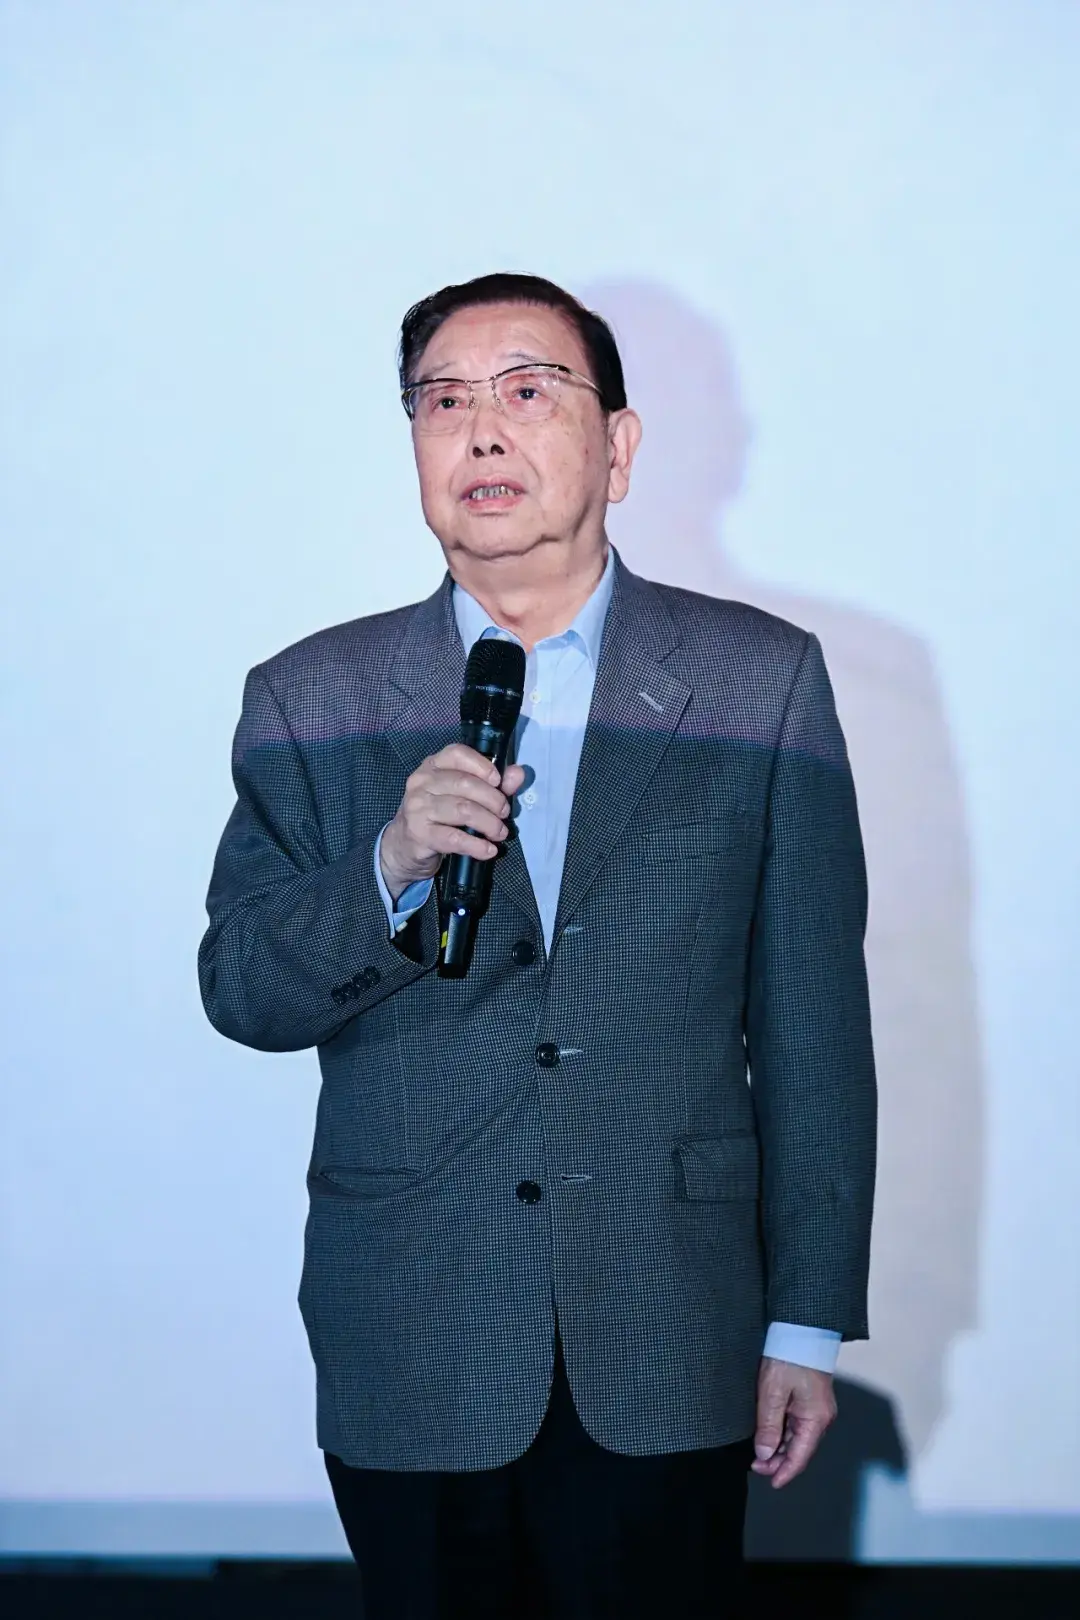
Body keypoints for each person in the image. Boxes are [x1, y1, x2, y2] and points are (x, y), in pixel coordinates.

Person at [197, 272, 877, 1618]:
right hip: (416, 1328)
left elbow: (812, 1024)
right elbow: (244, 987)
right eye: (443, 402)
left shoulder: (757, 682)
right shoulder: (310, 697)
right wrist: (389, 868)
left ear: (617, 447)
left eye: (527, 390)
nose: (483, 430)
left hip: (668, 1326)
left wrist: (805, 1318)